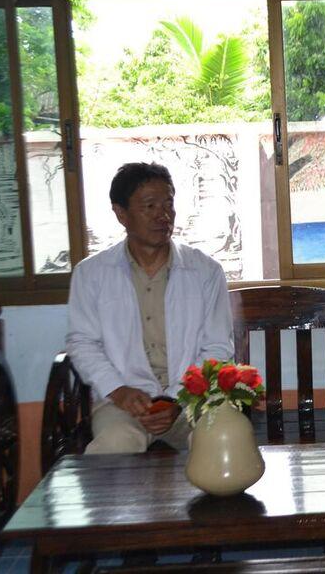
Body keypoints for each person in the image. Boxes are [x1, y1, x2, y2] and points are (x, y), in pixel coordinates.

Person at [66, 162, 234, 454]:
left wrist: (176, 399)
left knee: (219, 444)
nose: (163, 215)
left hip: (191, 399)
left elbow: (218, 348)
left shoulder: (205, 270)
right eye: (150, 206)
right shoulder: (91, 273)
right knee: (115, 444)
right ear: (121, 214)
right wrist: (118, 390)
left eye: (168, 204)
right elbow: (82, 342)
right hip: (122, 402)